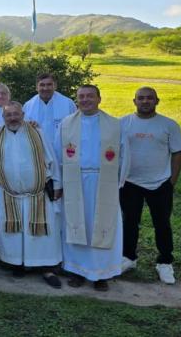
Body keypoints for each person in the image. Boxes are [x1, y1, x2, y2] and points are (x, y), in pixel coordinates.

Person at [55, 85, 130, 292]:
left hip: (103, 182)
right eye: (81, 97)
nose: (85, 100)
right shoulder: (66, 124)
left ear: (99, 98)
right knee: (78, 224)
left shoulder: (114, 124)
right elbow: (57, 155)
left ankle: (101, 274)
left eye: (90, 96)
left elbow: (124, 154)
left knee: (103, 226)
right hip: (75, 182)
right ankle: (77, 271)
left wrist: (119, 182)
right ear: (76, 100)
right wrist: (58, 183)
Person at [0, 102, 63, 288]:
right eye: (8, 115)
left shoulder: (36, 132)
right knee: (15, 232)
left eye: (16, 114)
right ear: (3, 117)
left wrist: (58, 184)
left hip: (37, 194)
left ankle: (47, 268)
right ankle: (17, 263)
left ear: (23, 114)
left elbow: (50, 158)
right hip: (8, 194)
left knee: (41, 234)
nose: (12, 118)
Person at [119, 87, 181, 285]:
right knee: (129, 222)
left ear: (157, 101)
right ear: (134, 101)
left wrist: (171, 181)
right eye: (141, 98)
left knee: (162, 224)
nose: (145, 101)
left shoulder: (168, 125)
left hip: (160, 183)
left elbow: (178, 153)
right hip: (130, 182)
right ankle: (129, 257)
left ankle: (164, 262)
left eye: (149, 98)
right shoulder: (123, 123)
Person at [23, 72, 77, 143]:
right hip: (38, 149)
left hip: (61, 149)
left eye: (49, 85)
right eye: (42, 85)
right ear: (36, 87)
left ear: (55, 86)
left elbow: (76, 128)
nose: (45, 88)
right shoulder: (28, 106)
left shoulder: (68, 104)